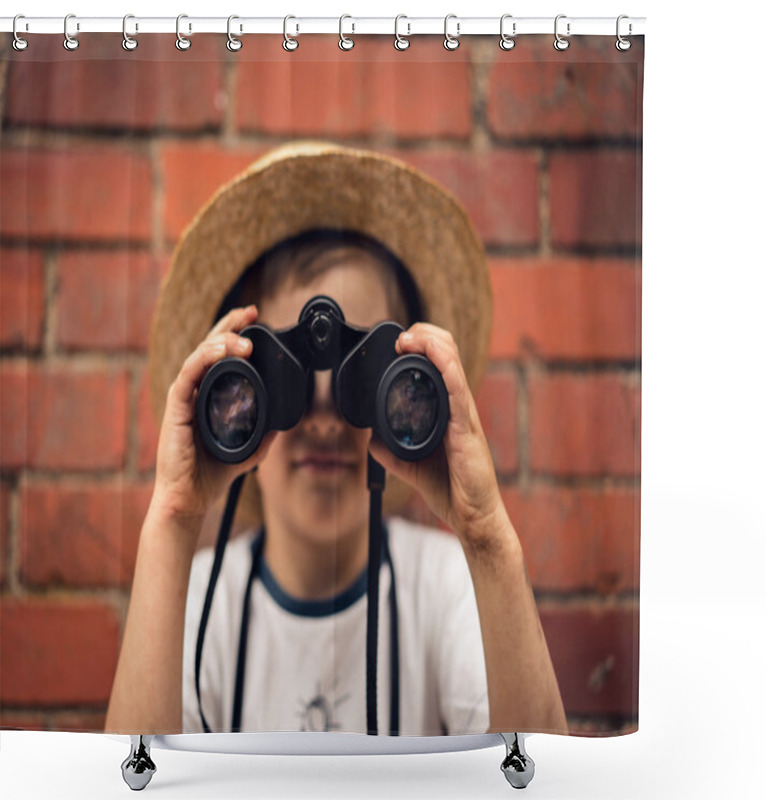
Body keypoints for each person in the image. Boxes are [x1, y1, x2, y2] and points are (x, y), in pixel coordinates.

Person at [105, 142, 567, 737]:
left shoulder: (451, 586)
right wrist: (172, 516)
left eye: (359, 373)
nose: (323, 415)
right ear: (230, 386)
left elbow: (540, 776)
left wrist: (488, 541)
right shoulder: (195, 607)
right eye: (285, 379)